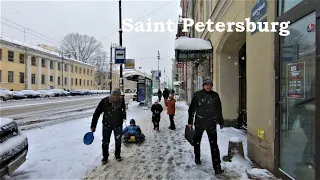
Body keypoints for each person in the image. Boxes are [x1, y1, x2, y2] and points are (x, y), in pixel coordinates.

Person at [188, 77, 224, 175]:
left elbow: (218, 109)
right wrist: (190, 122)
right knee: (197, 141)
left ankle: (217, 167)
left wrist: (221, 121)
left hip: (211, 123)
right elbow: (192, 109)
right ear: (203, 85)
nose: (208, 86)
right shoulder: (197, 95)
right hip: (199, 122)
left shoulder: (215, 96)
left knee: (214, 145)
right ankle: (197, 157)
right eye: (207, 84)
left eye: (210, 85)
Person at [90, 88, 126, 164]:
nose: (116, 97)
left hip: (118, 125)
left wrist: (123, 116)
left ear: (120, 95)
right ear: (111, 94)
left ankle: (117, 155)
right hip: (107, 125)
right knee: (105, 142)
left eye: (118, 95)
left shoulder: (121, 101)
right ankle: (105, 157)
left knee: (118, 141)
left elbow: (123, 110)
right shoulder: (105, 101)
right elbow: (97, 113)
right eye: (114, 95)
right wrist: (93, 125)